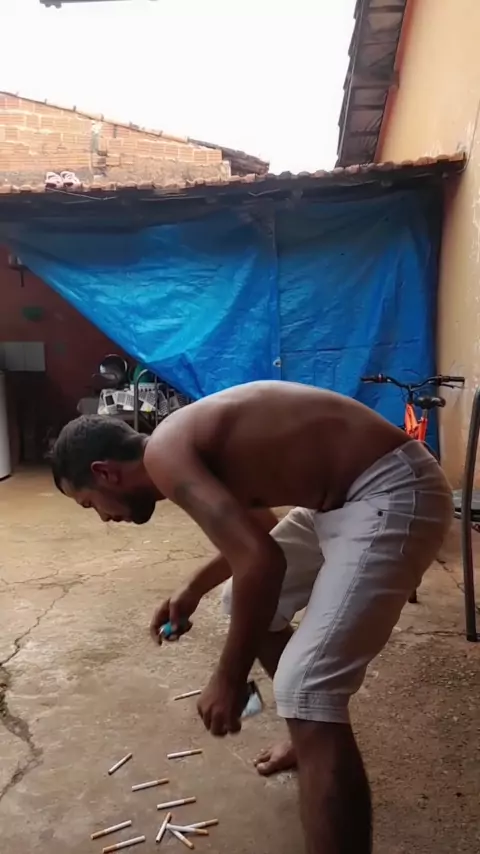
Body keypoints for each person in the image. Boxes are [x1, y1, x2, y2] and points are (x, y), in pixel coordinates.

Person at [51, 381, 453, 854]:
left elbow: (261, 562)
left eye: (90, 503)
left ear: (105, 473)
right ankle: (305, 738)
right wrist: (194, 588)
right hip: (339, 501)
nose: (102, 518)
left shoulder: (165, 454)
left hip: (391, 490)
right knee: (241, 604)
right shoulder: (178, 445)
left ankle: (310, 724)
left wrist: (228, 678)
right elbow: (260, 531)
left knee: (307, 688)